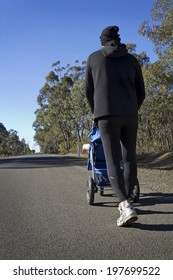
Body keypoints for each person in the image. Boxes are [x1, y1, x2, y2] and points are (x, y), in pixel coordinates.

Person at [85, 25, 145, 227]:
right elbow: (141, 92)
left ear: (102, 41)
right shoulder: (132, 60)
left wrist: (97, 111)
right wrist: (130, 108)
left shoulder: (94, 58)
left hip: (106, 115)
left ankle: (125, 205)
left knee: (112, 159)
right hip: (130, 114)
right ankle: (127, 201)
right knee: (129, 160)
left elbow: (88, 91)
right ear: (118, 40)